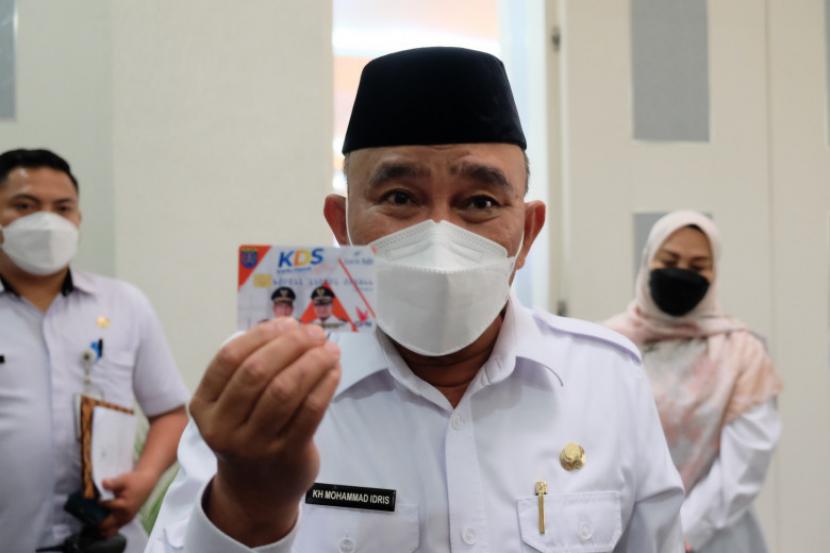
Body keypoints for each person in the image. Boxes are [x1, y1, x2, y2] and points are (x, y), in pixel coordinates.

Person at [148, 47, 684, 552]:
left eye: (479, 201)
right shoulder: (270, 385)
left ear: (528, 232)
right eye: (400, 198)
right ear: (342, 225)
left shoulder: (605, 379)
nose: (439, 236)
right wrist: (248, 506)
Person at [0, 149, 190, 553]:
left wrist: (145, 478)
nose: (47, 221)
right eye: (25, 206)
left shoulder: (124, 305)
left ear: (78, 220)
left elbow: (170, 412)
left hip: (107, 541)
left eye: (62, 208)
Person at [605, 210, 783, 553]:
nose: (682, 272)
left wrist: (682, 535)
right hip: (622, 532)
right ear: (647, 262)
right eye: (669, 259)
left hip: (713, 537)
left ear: (714, 274)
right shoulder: (608, 344)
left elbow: (745, 463)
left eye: (699, 265)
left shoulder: (742, 352)